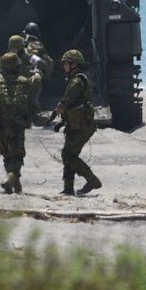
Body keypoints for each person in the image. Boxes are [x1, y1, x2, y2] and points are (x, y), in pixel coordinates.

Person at [0, 52, 36, 194]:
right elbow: (32, 103)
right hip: (18, 123)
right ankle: (13, 179)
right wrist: (29, 120)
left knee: (7, 153)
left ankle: (12, 179)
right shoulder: (24, 81)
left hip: (0, 123)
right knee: (17, 153)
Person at [54, 50, 101, 195]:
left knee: (69, 156)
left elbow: (67, 101)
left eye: (66, 63)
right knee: (67, 154)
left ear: (74, 64)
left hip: (82, 126)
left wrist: (58, 111)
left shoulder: (77, 81)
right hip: (75, 124)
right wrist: (62, 122)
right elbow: (71, 105)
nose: (64, 66)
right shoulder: (73, 80)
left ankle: (92, 180)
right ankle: (68, 188)